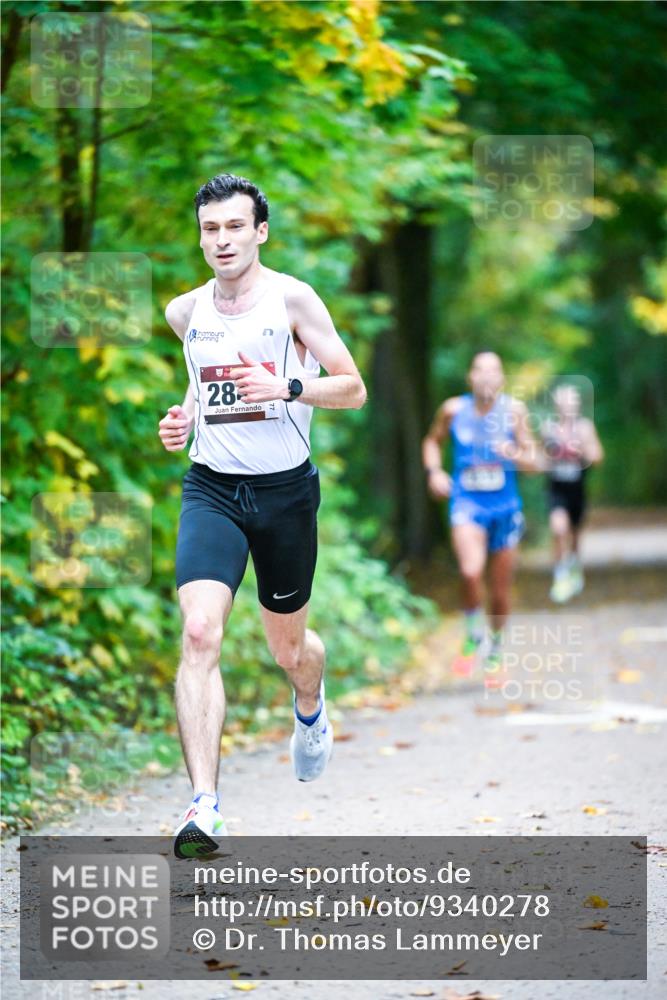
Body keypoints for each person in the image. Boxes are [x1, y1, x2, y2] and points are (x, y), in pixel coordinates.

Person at [158, 173, 367, 858]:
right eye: (210, 229)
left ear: (259, 232)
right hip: (212, 490)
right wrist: (182, 419)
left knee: (289, 650)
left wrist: (289, 386)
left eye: (233, 228)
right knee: (198, 632)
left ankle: (309, 707)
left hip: (283, 496)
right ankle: (204, 807)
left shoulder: (292, 299)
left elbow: (353, 387)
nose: (221, 240)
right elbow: (200, 380)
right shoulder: (184, 312)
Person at [422, 352, 540, 676]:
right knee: (470, 571)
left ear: (502, 379)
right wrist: (434, 472)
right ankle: (474, 631)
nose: (487, 376)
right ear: (470, 378)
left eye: (494, 371)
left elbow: (534, 462)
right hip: (466, 504)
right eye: (480, 370)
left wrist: (514, 453)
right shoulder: (453, 410)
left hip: (505, 508)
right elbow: (431, 442)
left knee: (500, 590)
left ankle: (496, 647)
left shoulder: (514, 412)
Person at [542, 384, 604, 603]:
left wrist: (582, 450)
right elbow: (538, 459)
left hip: (577, 489)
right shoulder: (548, 428)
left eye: (571, 402)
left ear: (577, 406)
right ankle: (560, 577)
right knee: (558, 529)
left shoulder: (585, 428)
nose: (567, 406)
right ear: (556, 405)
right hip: (556, 489)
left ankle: (575, 569)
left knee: (575, 534)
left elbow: (598, 457)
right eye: (563, 402)